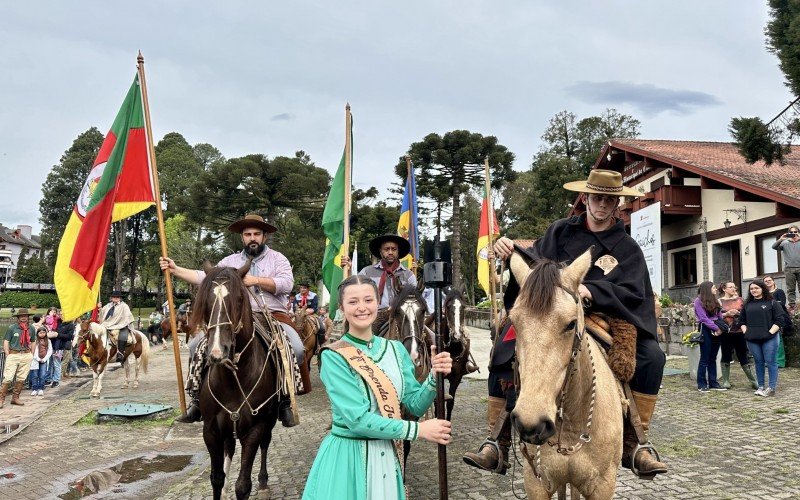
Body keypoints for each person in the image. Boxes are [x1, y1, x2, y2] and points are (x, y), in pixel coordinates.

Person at [487, 169, 668, 477]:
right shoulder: (560, 231)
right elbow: (534, 263)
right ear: (585, 198)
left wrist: (592, 289)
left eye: (609, 200)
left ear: (617, 204)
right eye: (596, 198)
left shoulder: (627, 247)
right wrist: (510, 251)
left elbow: (635, 292)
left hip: (608, 315)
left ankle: (636, 442)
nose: (602, 205)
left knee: (653, 356)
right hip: (554, 311)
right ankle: (496, 440)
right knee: (504, 347)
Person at [302, 275, 453, 500]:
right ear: (342, 307)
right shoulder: (334, 356)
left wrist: (433, 377)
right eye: (353, 302)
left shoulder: (396, 350)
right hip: (349, 457)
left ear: (378, 303)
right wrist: (418, 430)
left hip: (388, 457)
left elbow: (412, 404)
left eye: (368, 300)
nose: (362, 307)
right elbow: (357, 420)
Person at [159, 213, 307, 426]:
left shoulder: (278, 259)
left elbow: (286, 284)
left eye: (257, 233)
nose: (252, 238)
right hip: (232, 317)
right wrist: (175, 269)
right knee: (195, 346)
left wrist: (255, 280)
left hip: (271, 315)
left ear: (264, 236)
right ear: (242, 238)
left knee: (296, 347)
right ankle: (197, 400)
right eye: (248, 234)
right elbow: (204, 278)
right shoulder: (229, 262)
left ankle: (284, 400)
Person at [340, 234, 417, 335]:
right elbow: (354, 287)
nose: (390, 252)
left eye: (394, 249)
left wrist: (397, 306)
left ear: (398, 252)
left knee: (426, 335)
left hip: (403, 314)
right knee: (360, 336)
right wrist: (349, 270)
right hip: (377, 314)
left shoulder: (408, 275)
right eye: (386, 249)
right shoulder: (367, 272)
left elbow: (415, 298)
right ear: (380, 251)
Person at [740, 280, 788, 397]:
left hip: (769, 338)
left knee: (771, 361)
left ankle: (771, 388)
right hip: (752, 339)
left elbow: (780, 319)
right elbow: (741, 321)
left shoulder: (772, 302)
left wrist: (770, 333)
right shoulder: (747, 304)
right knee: (758, 362)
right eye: (751, 289)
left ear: (762, 289)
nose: (754, 290)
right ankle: (760, 387)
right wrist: (746, 332)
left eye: (756, 288)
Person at [717, 282, 758, 390]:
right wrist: (727, 314)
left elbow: (747, 313)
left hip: (740, 331)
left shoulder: (740, 300)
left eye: (734, 287)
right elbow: (715, 316)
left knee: (743, 355)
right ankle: (726, 381)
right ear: (724, 289)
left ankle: (753, 381)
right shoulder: (719, 301)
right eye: (730, 287)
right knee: (726, 355)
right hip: (726, 332)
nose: (733, 288)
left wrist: (738, 313)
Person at [693, 281, 727, 392]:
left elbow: (720, 316)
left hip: (717, 329)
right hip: (706, 329)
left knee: (713, 357)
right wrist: (716, 328)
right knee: (705, 358)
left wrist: (721, 328)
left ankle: (713, 383)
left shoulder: (716, 301)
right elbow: (703, 318)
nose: (716, 289)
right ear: (708, 289)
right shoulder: (698, 301)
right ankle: (701, 384)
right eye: (713, 287)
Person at [1, 308, 34, 407]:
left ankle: (15, 398)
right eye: (21, 317)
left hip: (26, 354)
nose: (24, 318)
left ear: (28, 318)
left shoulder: (31, 328)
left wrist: (32, 354)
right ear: (18, 318)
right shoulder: (12, 328)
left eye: (25, 316)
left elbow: (33, 341)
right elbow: (6, 341)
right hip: (14, 354)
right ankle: (1, 398)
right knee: (8, 378)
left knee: (21, 378)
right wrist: (7, 354)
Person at [99, 290, 135, 362]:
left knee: (122, 337)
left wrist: (121, 324)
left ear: (120, 298)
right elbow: (102, 315)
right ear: (111, 298)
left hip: (121, 325)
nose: (115, 298)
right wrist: (99, 308)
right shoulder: (108, 306)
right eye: (114, 297)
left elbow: (128, 317)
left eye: (117, 297)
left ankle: (120, 353)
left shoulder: (124, 306)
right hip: (107, 325)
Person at [772, 226, 800, 311]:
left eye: (795, 232)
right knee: (790, 289)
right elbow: (774, 247)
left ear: (798, 232)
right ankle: (792, 306)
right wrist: (781, 239)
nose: (793, 234)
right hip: (789, 268)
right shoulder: (785, 242)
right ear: (789, 233)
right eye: (791, 232)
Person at [763, 275, 789, 368]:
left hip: (778, 318)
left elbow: (781, 304)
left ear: (773, 281)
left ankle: (780, 362)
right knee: (769, 341)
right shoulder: (764, 294)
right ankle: (771, 361)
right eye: (765, 281)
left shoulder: (779, 291)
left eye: (769, 280)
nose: (768, 282)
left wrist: (769, 305)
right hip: (767, 319)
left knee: (779, 340)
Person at [29, 326, 52, 396]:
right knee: (34, 375)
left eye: (44, 332)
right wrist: (38, 359)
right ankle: (34, 388)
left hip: (44, 359)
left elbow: (50, 350)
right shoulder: (35, 341)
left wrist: (44, 359)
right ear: (37, 333)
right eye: (40, 333)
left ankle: (41, 388)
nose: (42, 334)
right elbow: (33, 351)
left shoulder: (48, 341)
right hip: (35, 359)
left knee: (42, 375)